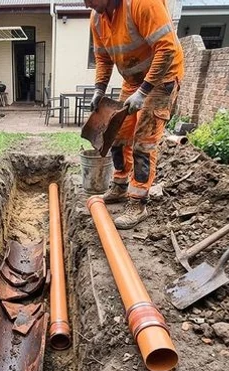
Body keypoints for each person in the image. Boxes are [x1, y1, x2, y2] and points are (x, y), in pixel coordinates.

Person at [86, 0, 184, 229]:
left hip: (163, 77)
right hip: (133, 81)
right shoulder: (98, 17)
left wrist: (143, 92)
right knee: (118, 132)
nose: (87, 3)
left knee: (143, 141)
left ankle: (138, 203)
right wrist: (99, 89)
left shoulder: (141, 3)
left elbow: (166, 48)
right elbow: (102, 58)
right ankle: (120, 186)